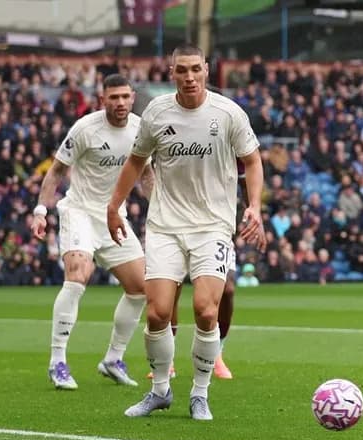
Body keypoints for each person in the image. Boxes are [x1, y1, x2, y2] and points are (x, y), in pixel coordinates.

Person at [108, 44, 265, 420]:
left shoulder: (228, 113)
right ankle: (160, 390)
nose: (189, 76)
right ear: (171, 72)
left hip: (213, 226)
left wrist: (255, 205)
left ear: (207, 69)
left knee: (205, 311)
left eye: (195, 69)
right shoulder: (157, 113)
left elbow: (253, 160)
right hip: (165, 226)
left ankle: (199, 393)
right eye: (182, 70)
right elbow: (135, 161)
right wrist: (113, 206)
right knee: (159, 313)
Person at [32, 74, 151, 390]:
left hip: (115, 216)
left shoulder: (141, 128)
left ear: (132, 97)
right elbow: (56, 171)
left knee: (141, 287)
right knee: (78, 274)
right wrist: (41, 211)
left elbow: (147, 175)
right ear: (103, 99)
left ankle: (113, 359)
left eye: (126, 97)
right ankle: (58, 361)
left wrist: (161, 214)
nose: (121, 103)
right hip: (80, 212)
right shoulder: (85, 128)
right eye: (114, 97)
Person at [150, 157, 254, 381]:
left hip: (214, 227)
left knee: (227, 290)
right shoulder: (179, 134)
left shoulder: (227, 137)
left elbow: (246, 177)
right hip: (174, 225)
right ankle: (168, 361)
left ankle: (217, 351)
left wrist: (254, 212)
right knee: (170, 292)